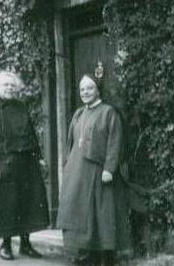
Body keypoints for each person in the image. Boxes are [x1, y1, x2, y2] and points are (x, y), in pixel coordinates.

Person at [56, 74, 130, 266]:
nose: (85, 93)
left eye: (89, 88)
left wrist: (109, 168)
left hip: (98, 174)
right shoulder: (79, 114)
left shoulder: (108, 113)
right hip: (77, 174)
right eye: (82, 89)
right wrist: (67, 165)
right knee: (79, 214)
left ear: (97, 90)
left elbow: (115, 142)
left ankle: (103, 259)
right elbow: (71, 143)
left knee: (100, 216)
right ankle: (83, 256)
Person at [0, 71, 49, 261]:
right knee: (8, 204)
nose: (9, 88)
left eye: (12, 85)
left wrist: (38, 156)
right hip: (6, 163)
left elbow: (30, 132)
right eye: (5, 85)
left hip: (27, 161)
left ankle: (26, 244)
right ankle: (5, 244)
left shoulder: (21, 106)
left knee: (27, 202)